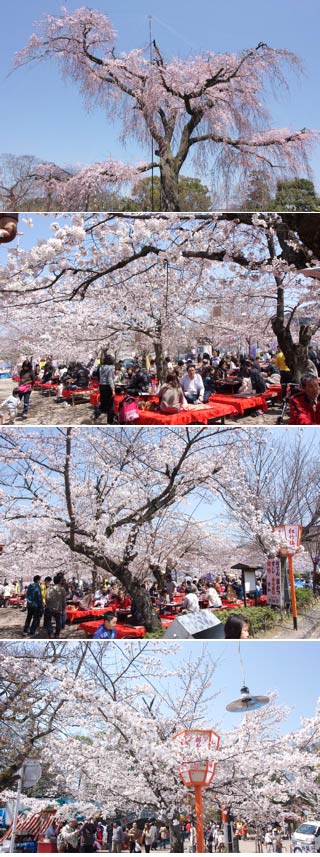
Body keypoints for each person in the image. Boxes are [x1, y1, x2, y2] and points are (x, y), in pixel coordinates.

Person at [44, 573, 66, 638]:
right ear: (59, 581)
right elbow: (63, 600)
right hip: (58, 608)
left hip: (50, 607)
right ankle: (57, 634)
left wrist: (48, 604)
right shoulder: (62, 589)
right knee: (58, 621)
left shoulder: (49, 589)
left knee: (48, 620)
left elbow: (47, 598)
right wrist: (63, 607)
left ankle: (50, 633)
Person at [98, 354, 115, 424]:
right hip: (108, 386)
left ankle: (95, 414)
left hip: (101, 385)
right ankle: (110, 421)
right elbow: (110, 379)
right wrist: (113, 389)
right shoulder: (111, 367)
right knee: (111, 404)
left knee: (103, 403)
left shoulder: (101, 367)